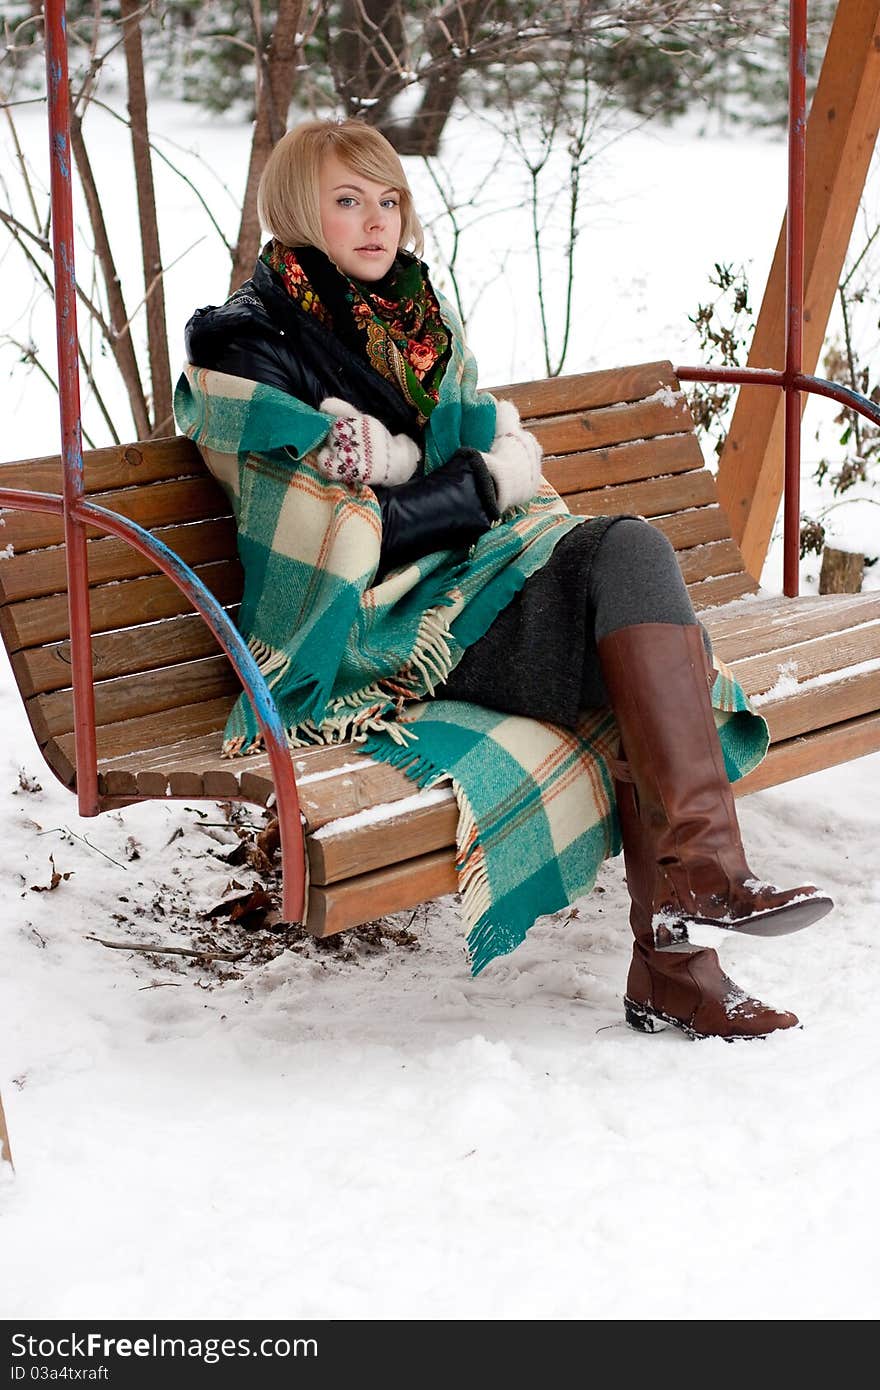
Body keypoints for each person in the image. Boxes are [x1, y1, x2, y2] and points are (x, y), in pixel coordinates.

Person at [181, 117, 833, 1041]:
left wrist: (424, 466)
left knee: (631, 550)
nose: (377, 222)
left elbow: (442, 458)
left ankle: (701, 889)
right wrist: (480, 481)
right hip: (380, 625)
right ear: (296, 209)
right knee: (640, 665)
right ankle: (682, 957)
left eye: (390, 200)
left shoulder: (413, 321)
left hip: (478, 580)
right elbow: (351, 528)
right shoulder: (244, 347)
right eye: (348, 201)